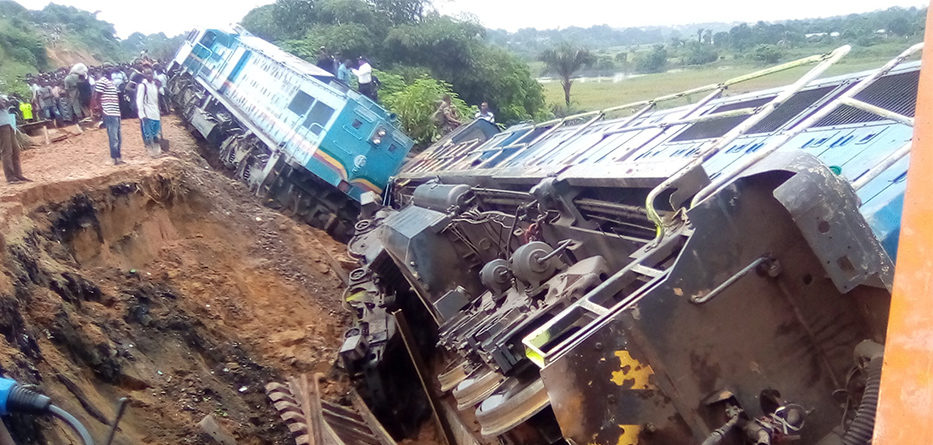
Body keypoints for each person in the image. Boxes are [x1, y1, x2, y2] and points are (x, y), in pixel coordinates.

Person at [94, 69, 123, 165]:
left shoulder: (111, 83)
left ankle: (118, 157)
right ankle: (114, 158)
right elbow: (97, 97)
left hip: (115, 112)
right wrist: (101, 109)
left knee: (118, 136)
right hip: (109, 112)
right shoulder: (102, 82)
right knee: (113, 136)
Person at [0, 99, 28, 184]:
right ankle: (10, 177)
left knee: (16, 150)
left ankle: (18, 175)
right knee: (7, 151)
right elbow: (2, 104)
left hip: (7, 124)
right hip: (1, 126)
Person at [136, 67, 162, 156]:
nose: (149, 75)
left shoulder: (155, 85)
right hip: (147, 113)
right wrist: (142, 114)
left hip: (155, 113)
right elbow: (139, 101)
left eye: (151, 73)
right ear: (144, 75)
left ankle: (157, 151)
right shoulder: (142, 86)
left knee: (155, 132)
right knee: (148, 134)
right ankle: (150, 151)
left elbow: (158, 98)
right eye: (147, 74)